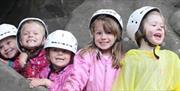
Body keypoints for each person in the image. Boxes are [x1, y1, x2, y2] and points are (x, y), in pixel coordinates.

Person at [112, 6, 180, 90]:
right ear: (138, 30)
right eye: (154, 25)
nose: (159, 28)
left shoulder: (171, 58)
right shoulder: (131, 60)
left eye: (162, 26)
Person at [62, 9, 124, 91]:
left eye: (108, 33)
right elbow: (77, 78)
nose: (103, 37)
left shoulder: (123, 59)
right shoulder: (85, 55)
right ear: (92, 34)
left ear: (117, 35)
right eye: (99, 33)